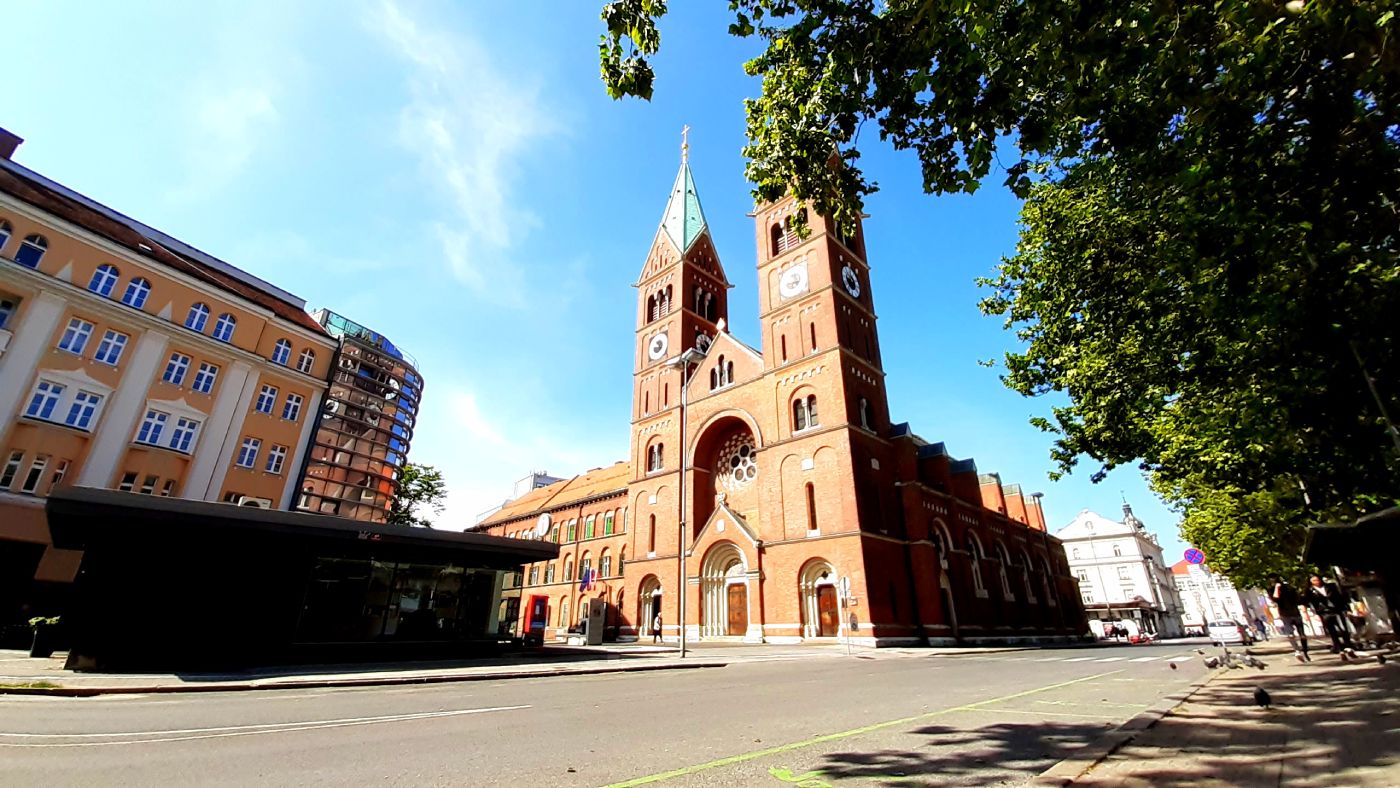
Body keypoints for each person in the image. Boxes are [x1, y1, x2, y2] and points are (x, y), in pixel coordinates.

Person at [1306, 574, 1354, 653]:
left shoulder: (1330, 587)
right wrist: (1315, 614)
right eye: (1314, 581)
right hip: (1324, 612)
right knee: (1332, 630)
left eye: (1317, 580)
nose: (1317, 582)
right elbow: (1311, 603)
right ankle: (1337, 646)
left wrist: (1346, 608)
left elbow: (1340, 597)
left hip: (1336, 610)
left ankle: (1348, 645)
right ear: (1311, 582)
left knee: (1343, 628)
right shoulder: (1310, 591)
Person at [1270, 575, 1310, 662]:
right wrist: (1277, 588)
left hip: (1295, 613)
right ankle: (1297, 651)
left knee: (1302, 636)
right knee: (1290, 635)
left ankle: (1305, 652)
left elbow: (1299, 599)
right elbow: (1275, 598)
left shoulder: (1290, 589)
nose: (1273, 582)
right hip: (1285, 615)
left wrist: (1304, 611)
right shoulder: (1272, 590)